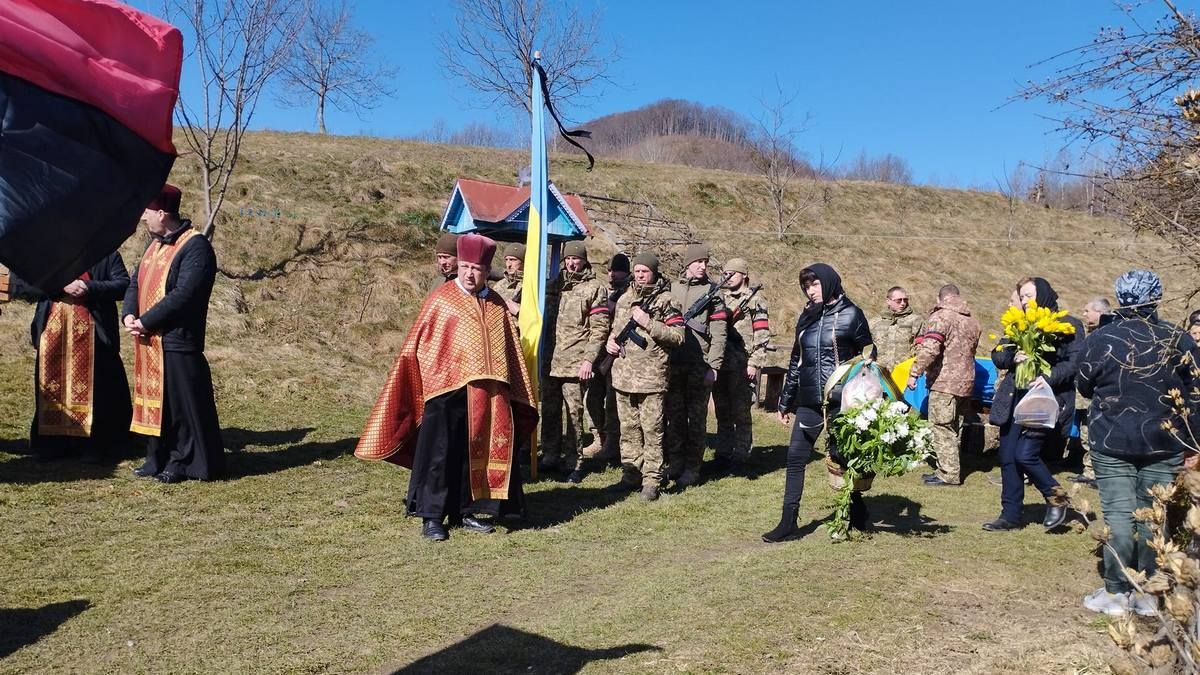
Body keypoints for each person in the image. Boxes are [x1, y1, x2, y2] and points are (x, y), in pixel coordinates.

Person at [354, 233, 537, 541]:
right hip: (444, 393)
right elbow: (418, 346)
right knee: (439, 454)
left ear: (485, 270)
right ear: (458, 265)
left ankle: (466, 510)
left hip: (487, 393)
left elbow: (508, 348)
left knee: (471, 453)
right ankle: (432, 516)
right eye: (465, 266)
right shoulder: (441, 300)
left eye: (477, 268)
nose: (470, 274)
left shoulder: (495, 304)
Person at [1077, 270, 1199, 617]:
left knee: (1118, 515)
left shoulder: (1102, 339)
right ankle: (1148, 591)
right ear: (1157, 297)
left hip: (1112, 437)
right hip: (1164, 439)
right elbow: (1194, 393)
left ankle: (1116, 592)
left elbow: (1085, 384)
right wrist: (1193, 441)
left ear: (1120, 297)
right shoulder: (1177, 339)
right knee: (1153, 516)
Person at [123, 184, 224, 483]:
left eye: (147, 212)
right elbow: (135, 282)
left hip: (177, 340)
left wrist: (146, 321)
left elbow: (185, 295)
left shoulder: (196, 247)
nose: (143, 218)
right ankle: (158, 456)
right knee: (156, 405)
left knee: (180, 407)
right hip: (150, 339)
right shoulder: (153, 244)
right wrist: (129, 314)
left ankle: (184, 461)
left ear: (162, 213)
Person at [766, 263, 873, 542]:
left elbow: (870, 357)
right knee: (795, 459)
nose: (810, 291)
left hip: (842, 402)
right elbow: (796, 360)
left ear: (828, 282)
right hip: (809, 401)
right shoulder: (807, 316)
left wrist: (866, 396)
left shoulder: (852, 314)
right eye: (806, 286)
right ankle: (788, 522)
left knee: (844, 458)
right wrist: (785, 401)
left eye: (814, 284)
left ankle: (855, 509)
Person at [7, 252, 133, 462]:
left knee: (99, 389)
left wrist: (89, 288)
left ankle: (94, 446)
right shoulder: (48, 251)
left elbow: (122, 285)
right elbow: (22, 286)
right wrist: (60, 286)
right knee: (53, 387)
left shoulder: (107, 251)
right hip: (53, 334)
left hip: (95, 335)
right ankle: (53, 444)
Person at [983, 277, 1082, 531]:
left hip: (1045, 399)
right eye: (1022, 296)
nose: (1024, 301)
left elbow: (1073, 364)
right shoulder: (1019, 323)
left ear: (1044, 295)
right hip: (1014, 398)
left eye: (1028, 295)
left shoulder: (1067, 325)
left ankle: (1056, 496)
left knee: (1025, 454)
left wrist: (1046, 377)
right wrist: (1013, 356)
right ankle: (1010, 516)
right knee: (1007, 457)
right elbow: (998, 354)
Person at [605, 253, 684, 501]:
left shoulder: (666, 300)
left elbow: (678, 336)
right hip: (624, 376)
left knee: (652, 430)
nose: (640, 275)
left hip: (652, 379)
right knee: (628, 429)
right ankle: (631, 473)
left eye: (644, 271)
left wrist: (649, 323)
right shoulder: (625, 299)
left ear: (654, 272)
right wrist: (610, 343)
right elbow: (615, 331)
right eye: (637, 271)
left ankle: (652, 479)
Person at [539, 241, 611, 482]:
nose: (571, 263)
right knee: (549, 412)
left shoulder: (594, 288)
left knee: (574, 414)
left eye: (576, 259)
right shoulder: (552, 286)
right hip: (549, 361)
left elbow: (599, 329)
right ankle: (549, 455)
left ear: (584, 261)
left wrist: (589, 360)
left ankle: (574, 462)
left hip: (575, 362)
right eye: (568, 259)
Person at [665, 243, 729, 487]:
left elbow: (719, 333)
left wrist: (714, 366)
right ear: (687, 264)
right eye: (698, 262)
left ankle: (693, 467)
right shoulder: (672, 289)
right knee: (675, 416)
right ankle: (676, 462)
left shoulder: (714, 292)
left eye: (705, 262)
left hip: (698, 364)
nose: (702, 266)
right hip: (673, 363)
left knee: (697, 418)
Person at [907, 284, 981, 486]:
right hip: (966, 382)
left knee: (941, 427)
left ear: (940, 298)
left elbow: (930, 348)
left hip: (944, 382)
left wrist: (914, 372)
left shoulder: (941, 317)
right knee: (954, 427)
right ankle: (948, 467)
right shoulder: (972, 321)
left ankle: (948, 474)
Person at [711, 257, 771, 474]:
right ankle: (723, 453)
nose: (727, 277)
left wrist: (754, 363)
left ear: (744, 275)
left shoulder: (755, 300)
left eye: (732, 274)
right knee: (722, 410)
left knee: (741, 413)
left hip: (743, 363)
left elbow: (762, 334)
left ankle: (741, 455)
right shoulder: (719, 297)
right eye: (725, 273)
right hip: (721, 362)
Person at [589, 253, 632, 465]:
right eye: (609, 270)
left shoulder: (629, 295)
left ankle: (612, 443)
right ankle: (600, 437)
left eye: (616, 270)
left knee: (613, 403)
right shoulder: (610, 294)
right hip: (601, 355)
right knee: (593, 397)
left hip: (618, 357)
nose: (612, 274)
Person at [1069, 297, 1114, 487]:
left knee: (1095, 433)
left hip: (1099, 394)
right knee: (1085, 432)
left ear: (1100, 312)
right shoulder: (1091, 333)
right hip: (1084, 394)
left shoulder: (1110, 334)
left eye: (1088, 311)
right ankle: (1089, 470)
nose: (1084, 314)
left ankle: (1098, 473)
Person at [870, 286, 923, 372]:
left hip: (904, 373)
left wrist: (915, 370)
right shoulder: (875, 322)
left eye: (905, 300)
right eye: (898, 300)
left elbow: (920, 348)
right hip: (880, 374)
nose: (903, 303)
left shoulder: (915, 321)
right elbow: (868, 348)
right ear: (888, 301)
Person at [494, 242, 524, 316]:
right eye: (506, 260)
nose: (509, 264)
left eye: (513, 260)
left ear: (523, 262)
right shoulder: (499, 286)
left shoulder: (531, 286)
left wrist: (519, 312)